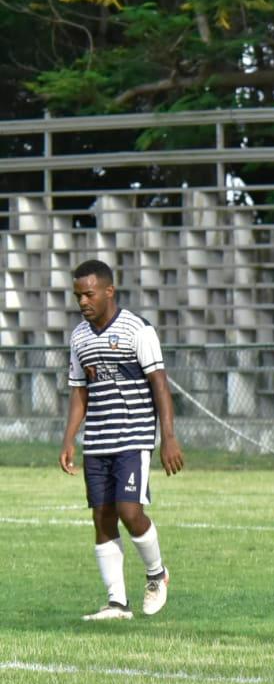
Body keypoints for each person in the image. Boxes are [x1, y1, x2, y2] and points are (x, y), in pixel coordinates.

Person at [59, 260, 183, 621]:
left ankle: (157, 573)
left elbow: (160, 384)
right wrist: (69, 439)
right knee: (102, 516)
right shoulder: (79, 337)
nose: (83, 301)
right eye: (78, 295)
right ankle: (116, 603)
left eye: (89, 294)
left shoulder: (137, 330)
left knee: (130, 511)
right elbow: (79, 391)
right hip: (97, 440)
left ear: (109, 291)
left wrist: (168, 438)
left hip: (133, 436)